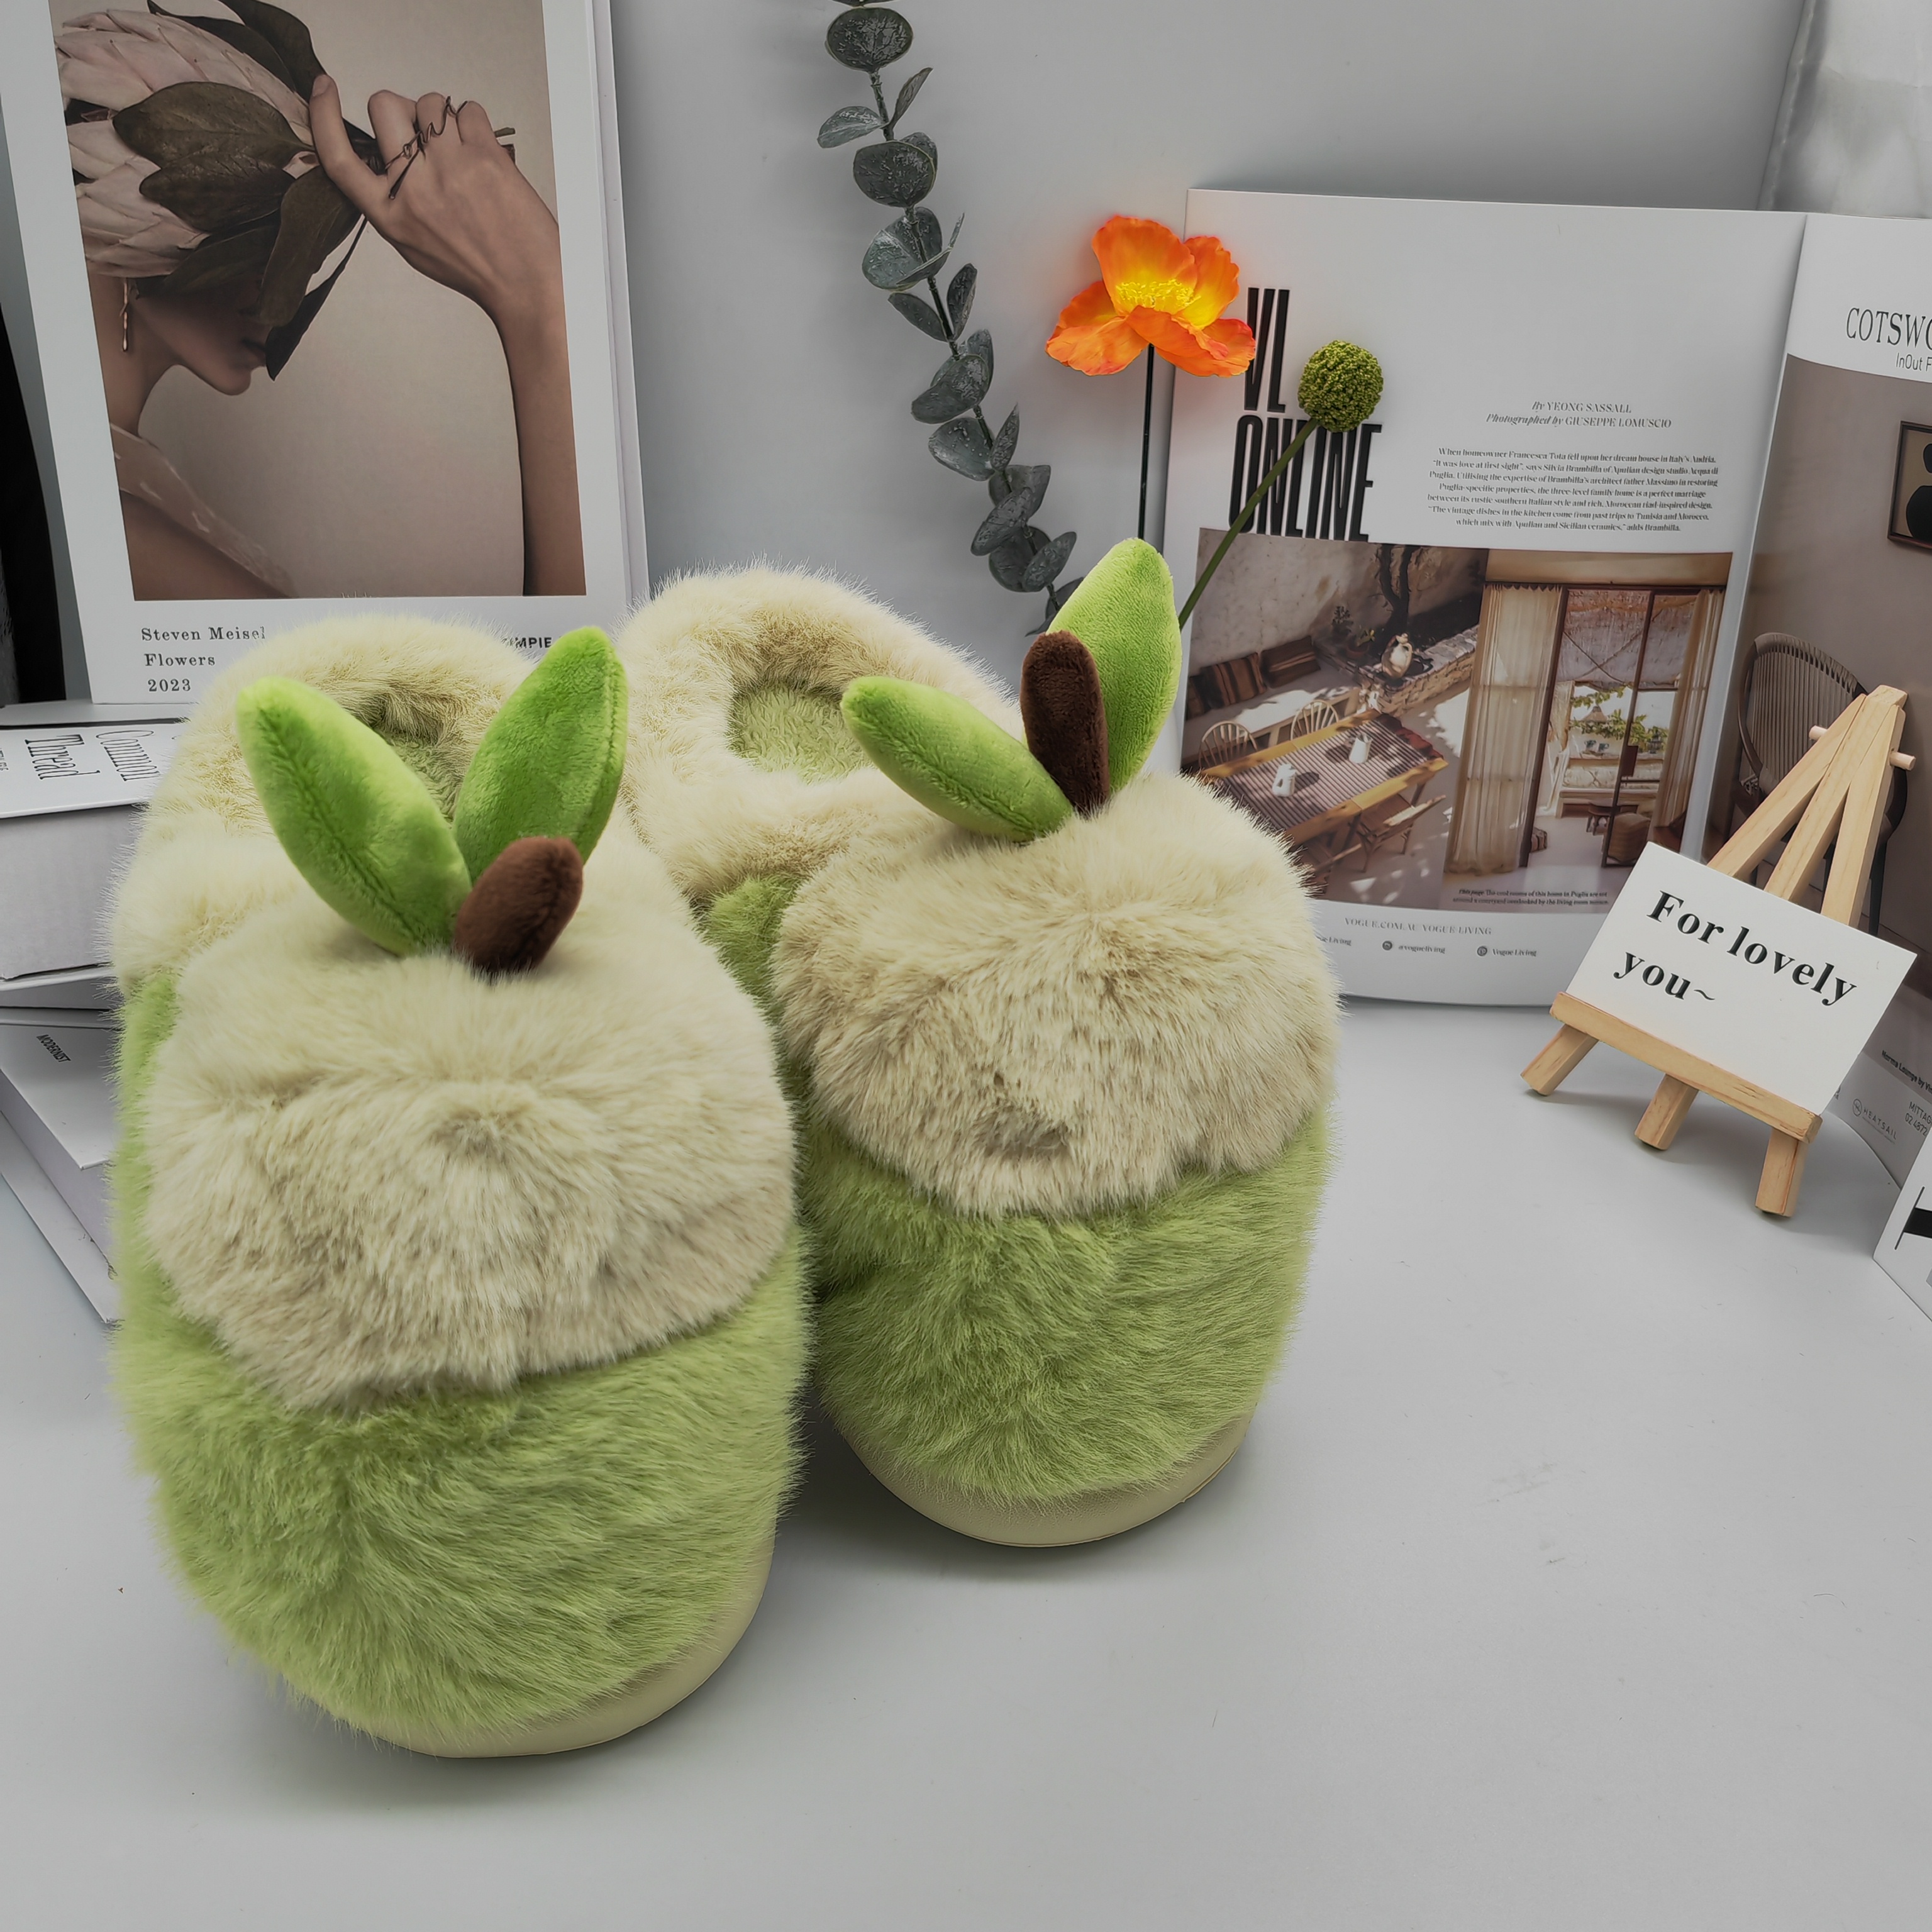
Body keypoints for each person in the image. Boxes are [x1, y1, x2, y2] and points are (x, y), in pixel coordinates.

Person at [71, 9, 582, 599]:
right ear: (118, 214)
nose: (286, 304)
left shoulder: (131, 487)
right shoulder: (124, 536)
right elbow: (576, 664)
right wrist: (542, 305)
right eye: (269, 243)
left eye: (305, 252)